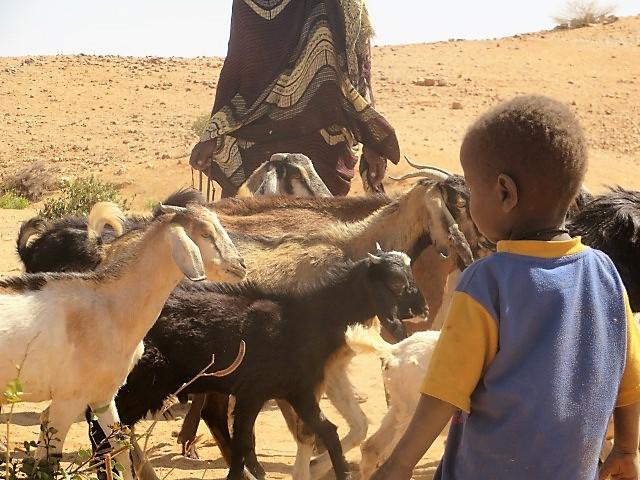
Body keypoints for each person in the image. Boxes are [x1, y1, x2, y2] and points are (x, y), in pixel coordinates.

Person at [371, 95, 640, 480]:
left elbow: (444, 393)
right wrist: (628, 448)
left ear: (503, 193)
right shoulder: (606, 274)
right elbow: (630, 379)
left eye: (472, 195)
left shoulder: (487, 281)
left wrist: (399, 464)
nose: (471, 207)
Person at [189, 0, 399, 198]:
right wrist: (212, 131)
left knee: (318, 230)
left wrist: (373, 143)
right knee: (250, 227)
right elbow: (237, 61)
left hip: (324, 140)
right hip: (255, 138)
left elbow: (359, 68)